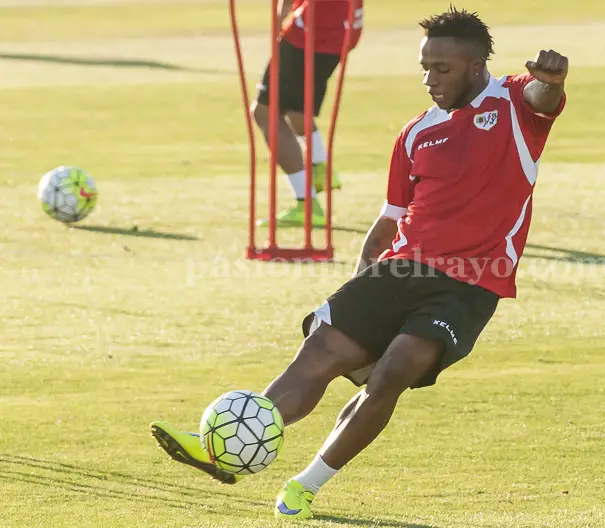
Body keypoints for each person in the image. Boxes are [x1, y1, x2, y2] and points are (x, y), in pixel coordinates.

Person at [150, 6, 567, 520]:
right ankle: (226, 451)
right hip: (399, 268)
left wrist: (552, 79)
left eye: (443, 69)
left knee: (392, 373)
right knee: (320, 351)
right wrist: (362, 280)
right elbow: (391, 217)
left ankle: (306, 484)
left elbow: (543, 96)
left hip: (468, 285)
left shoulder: (513, 103)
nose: (430, 79)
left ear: (478, 64)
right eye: (424, 67)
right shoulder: (416, 134)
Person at [253, 0, 364, 227]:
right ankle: (320, 168)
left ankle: (306, 203)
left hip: (310, 33)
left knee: (265, 112)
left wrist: (279, 20)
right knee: (297, 110)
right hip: (341, 29)